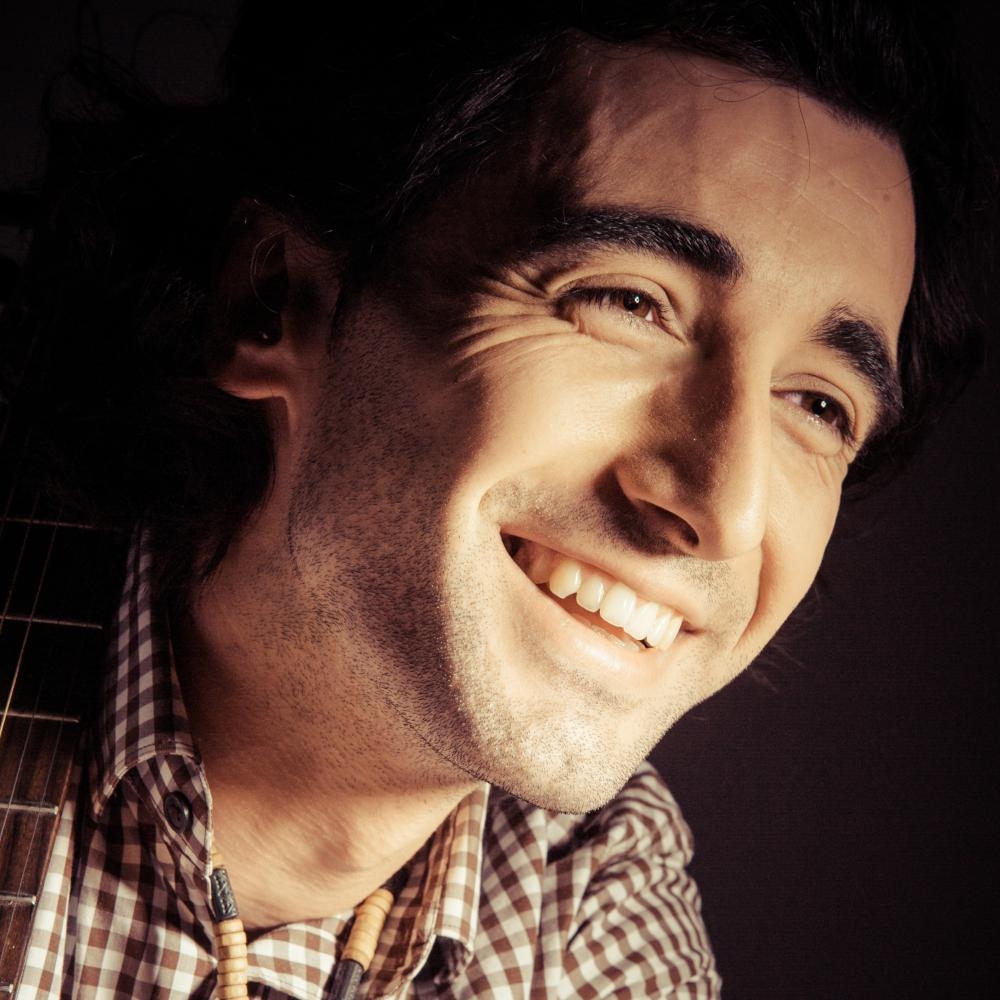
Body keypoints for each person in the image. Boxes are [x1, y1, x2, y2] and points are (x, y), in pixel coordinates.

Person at [4, 0, 984, 997]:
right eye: (628, 301)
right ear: (275, 299)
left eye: (818, 404)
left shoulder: (592, 888)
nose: (723, 509)